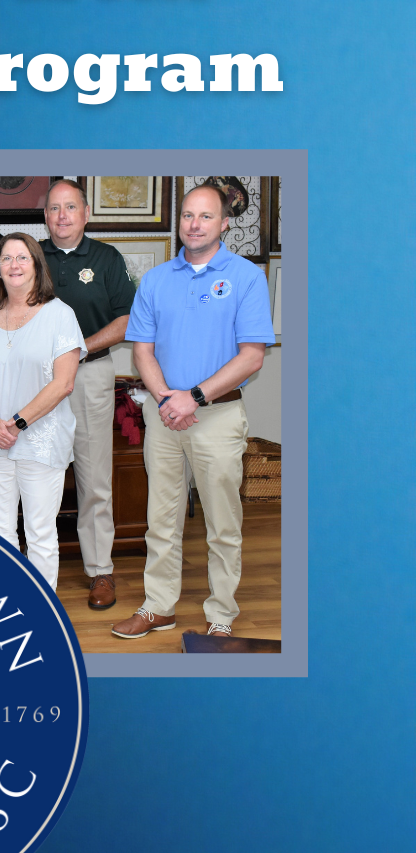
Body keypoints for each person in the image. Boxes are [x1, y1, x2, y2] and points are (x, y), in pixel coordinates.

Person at [113, 183, 274, 639]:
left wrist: (194, 397)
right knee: (160, 519)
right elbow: (142, 350)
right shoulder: (158, 279)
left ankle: (221, 615)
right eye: (187, 215)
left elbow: (252, 356)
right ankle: (157, 607)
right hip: (164, 416)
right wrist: (167, 398)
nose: (194, 225)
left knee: (223, 524)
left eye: (205, 217)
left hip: (217, 417)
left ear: (224, 223)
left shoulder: (245, 277)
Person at [0, 233, 86, 590]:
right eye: (6, 259)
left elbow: (63, 383)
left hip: (40, 441)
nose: (13, 265)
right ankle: (7, 605)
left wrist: (16, 424)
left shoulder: (60, 315)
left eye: (22, 258)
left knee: (40, 533)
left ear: (36, 265)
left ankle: (41, 611)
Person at [40, 179, 136, 610]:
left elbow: (126, 320)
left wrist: (79, 349)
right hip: (35, 385)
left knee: (95, 478)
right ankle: (37, 569)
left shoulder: (106, 258)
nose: (62, 216)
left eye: (70, 207)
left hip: (90, 377)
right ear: (45, 215)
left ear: (86, 212)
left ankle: (100, 571)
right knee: (36, 475)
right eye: (55, 208)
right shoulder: (29, 255)